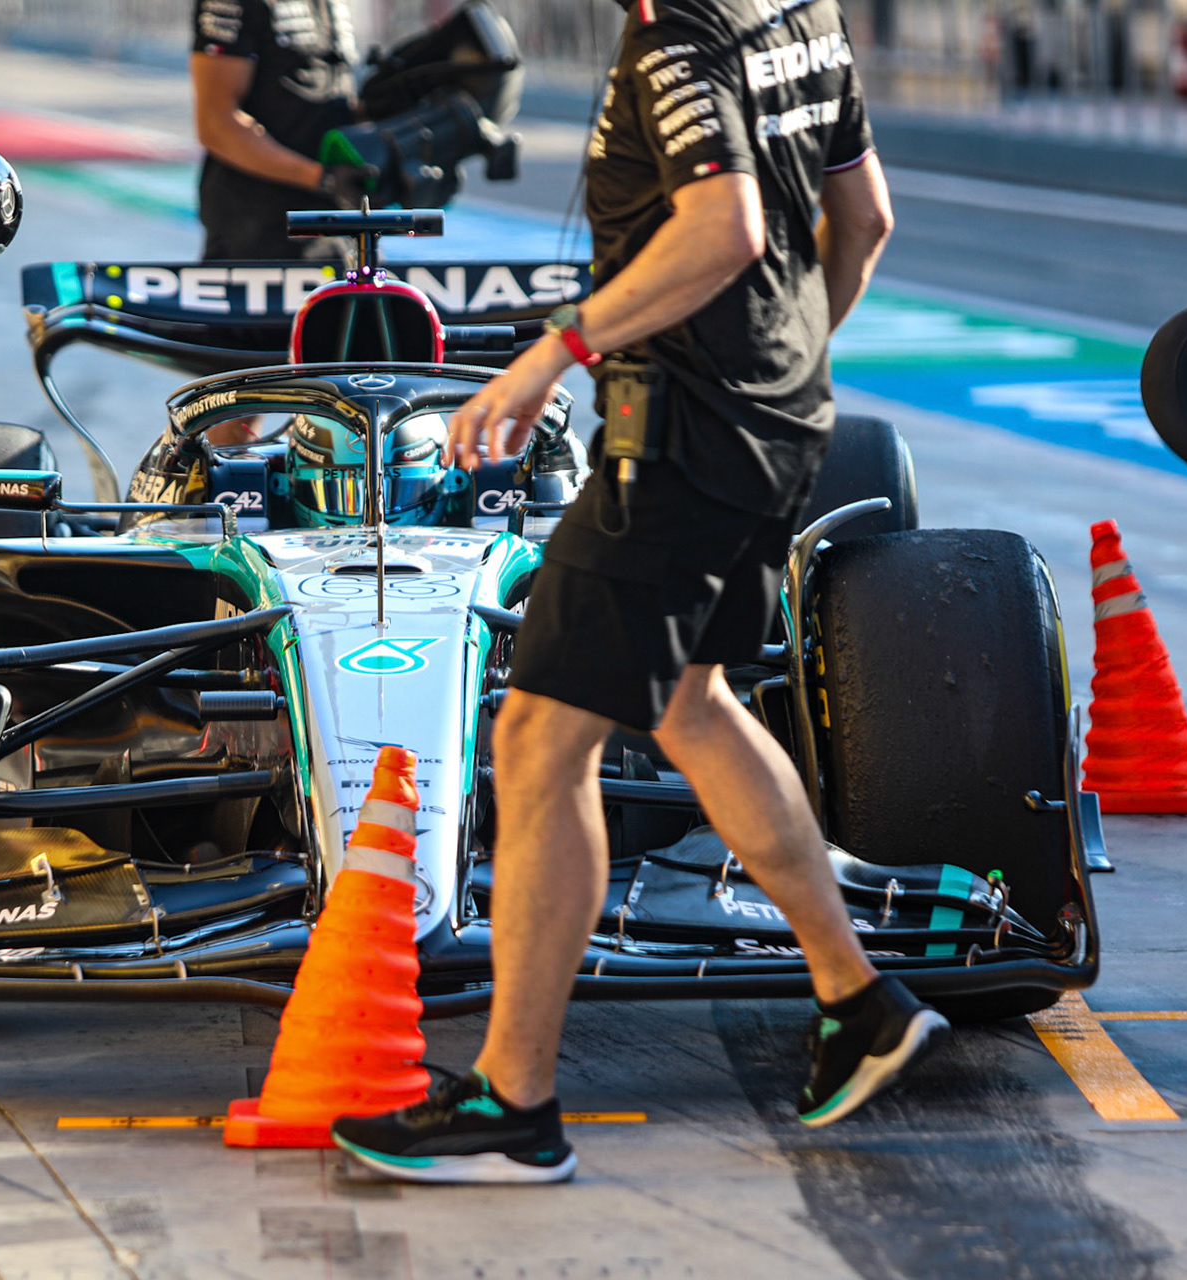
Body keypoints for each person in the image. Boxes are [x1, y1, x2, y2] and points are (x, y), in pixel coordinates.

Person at [332, 0, 941, 1183]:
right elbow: (865, 220)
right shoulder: (803, 15)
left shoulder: (676, 36)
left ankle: (516, 1100)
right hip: (779, 423)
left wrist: (551, 353)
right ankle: (859, 998)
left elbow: (723, 228)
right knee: (690, 703)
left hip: (678, 443)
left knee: (539, 737)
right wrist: (781, 369)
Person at [189, 0, 365, 262]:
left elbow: (337, 101)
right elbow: (217, 124)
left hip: (339, 223)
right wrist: (323, 178)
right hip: (257, 229)